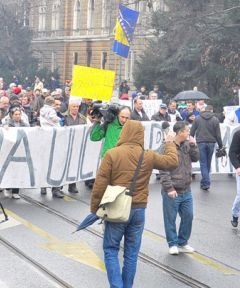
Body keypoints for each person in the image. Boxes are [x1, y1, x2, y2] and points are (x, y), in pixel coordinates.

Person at [91, 120, 178, 288]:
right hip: (138, 209)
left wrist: (95, 209)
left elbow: (99, 185)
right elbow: (172, 162)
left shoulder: (112, 154)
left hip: (116, 208)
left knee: (110, 249)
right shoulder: (148, 155)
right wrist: (169, 143)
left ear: (124, 133)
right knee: (131, 253)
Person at [159, 121, 198, 255]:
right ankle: (172, 243)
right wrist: (169, 188)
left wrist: (193, 145)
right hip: (172, 189)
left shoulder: (187, 145)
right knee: (170, 218)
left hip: (186, 189)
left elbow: (196, 158)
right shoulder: (167, 147)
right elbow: (163, 169)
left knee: (189, 215)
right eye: (187, 131)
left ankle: (183, 242)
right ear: (179, 132)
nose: (189, 133)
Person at [189, 105, 223, 191]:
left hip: (200, 143)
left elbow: (192, 132)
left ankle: (205, 182)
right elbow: (218, 135)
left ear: (205, 110)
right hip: (211, 143)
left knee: (203, 163)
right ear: (211, 110)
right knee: (207, 163)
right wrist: (221, 145)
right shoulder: (215, 119)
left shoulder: (197, 118)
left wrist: (191, 142)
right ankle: (205, 182)